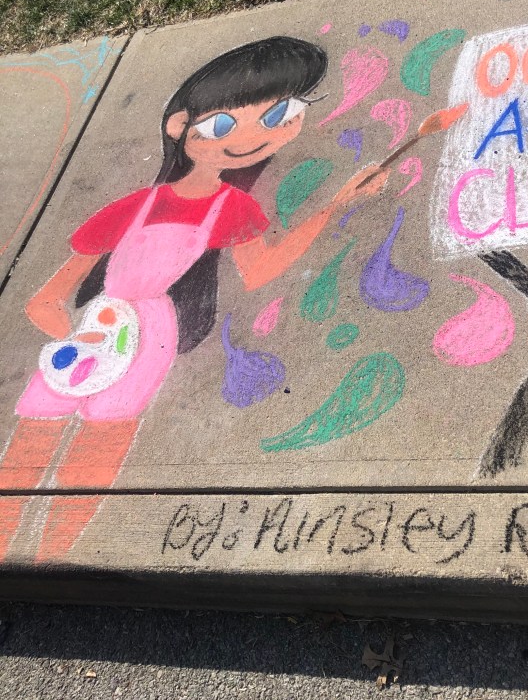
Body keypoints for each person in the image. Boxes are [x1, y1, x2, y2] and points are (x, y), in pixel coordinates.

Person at [0, 37, 388, 561]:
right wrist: (79, 340)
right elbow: (44, 301)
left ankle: (52, 561)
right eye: (223, 124)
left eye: (278, 115)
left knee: (99, 449)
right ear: (180, 127)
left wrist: (337, 204)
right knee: (30, 442)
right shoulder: (132, 207)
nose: (252, 136)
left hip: (152, 338)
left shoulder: (235, 209)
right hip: (95, 328)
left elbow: (261, 270)